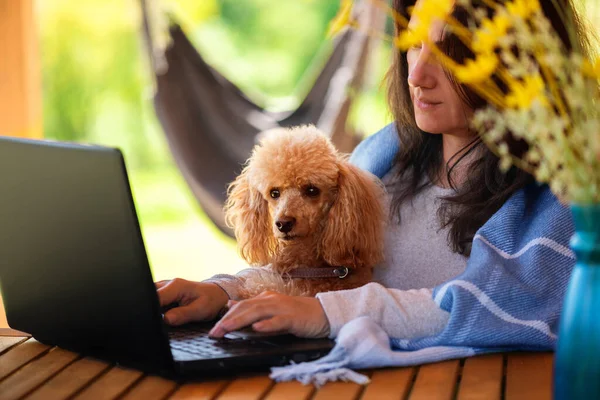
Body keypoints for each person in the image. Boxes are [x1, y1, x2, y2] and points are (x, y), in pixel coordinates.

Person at [156, 0, 589, 342]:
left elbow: (491, 306)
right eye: (415, 44)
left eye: (450, 53)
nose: (417, 74)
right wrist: (225, 292)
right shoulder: (383, 159)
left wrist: (327, 315)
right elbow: (312, 277)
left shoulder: (563, 195)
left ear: (520, 60)